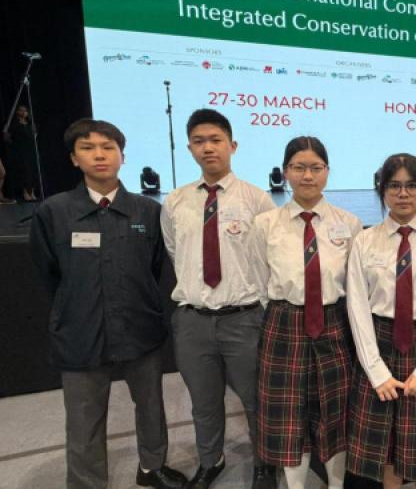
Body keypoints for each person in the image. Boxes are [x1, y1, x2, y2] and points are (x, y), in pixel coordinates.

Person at [28, 119, 186, 489]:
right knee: (84, 416)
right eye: (88, 148)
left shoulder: (146, 211)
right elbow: (48, 271)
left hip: (139, 326)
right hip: (80, 330)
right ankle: (87, 483)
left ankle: (152, 467)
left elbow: (154, 267)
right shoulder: (54, 211)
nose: (99, 155)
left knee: (150, 405)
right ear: (73, 158)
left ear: (122, 156)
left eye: (108, 147)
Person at [160, 109, 276, 489]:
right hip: (192, 321)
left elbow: (269, 258)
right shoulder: (175, 201)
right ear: (189, 149)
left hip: (244, 319)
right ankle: (211, 460)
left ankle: (265, 464)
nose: (208, 148)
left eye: (215, 140)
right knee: (204, 402)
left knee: (256, 400)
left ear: (233, 145)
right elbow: (176, 253)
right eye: (199, 141)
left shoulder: (257, 199)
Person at [251, 136, 362, 489]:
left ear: (327, 172)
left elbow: (355, 283)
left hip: (335, 324)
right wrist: (288, 311)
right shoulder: (265, 224)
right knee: (289, 418)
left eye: (315, 167)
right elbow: (260, 280)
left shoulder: (350, 223)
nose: (308, 176)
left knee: (336, 413)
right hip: (284, 325)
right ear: (285, 172)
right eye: (299, 167)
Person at [346, 153, 416, 488]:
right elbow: (357, 309)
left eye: (412, 185)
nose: (403, 193)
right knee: (387, 451)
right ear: (382, 191)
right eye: (394, 186)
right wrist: (376, 371)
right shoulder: (365, 241)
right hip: (379, 345)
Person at [7, 105, 39, 200]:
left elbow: (35, 135)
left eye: (25, 110)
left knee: (32, 171)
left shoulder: (30, 124)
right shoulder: (15, 124)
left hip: (31, 150)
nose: (24, 112)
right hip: (21, 151)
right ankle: (25, 192)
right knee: (25, 171)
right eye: (21, 110)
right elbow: (9, 138)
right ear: (17, 112)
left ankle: (32, 192)